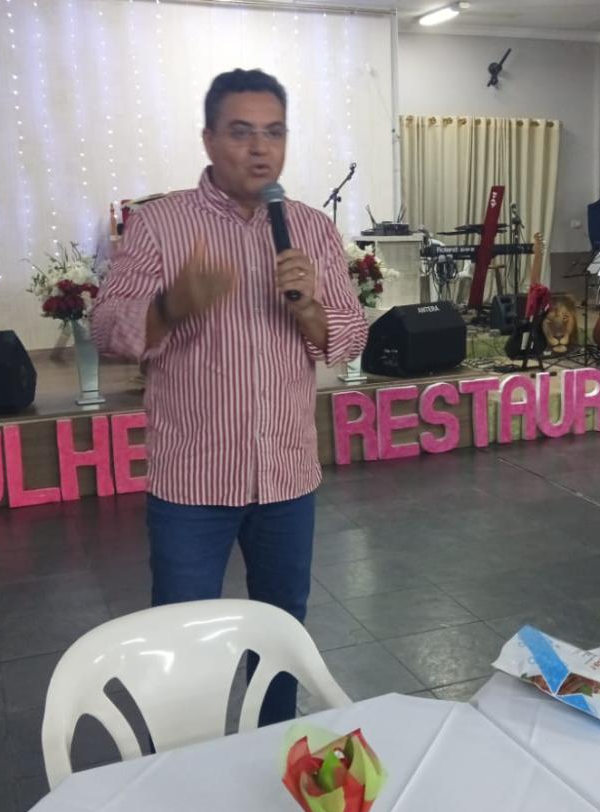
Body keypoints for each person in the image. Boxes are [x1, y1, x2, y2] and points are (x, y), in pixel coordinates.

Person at [92, 68, 367, 725]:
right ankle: (188, 762)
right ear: (209, 139)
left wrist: (309, 308)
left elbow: (350, 335)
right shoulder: (160, 226)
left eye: (274, 132)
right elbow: (107, 330)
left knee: (282, 631)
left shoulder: (310, 228)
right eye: (241, 132)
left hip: (286, 476)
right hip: (194, 479)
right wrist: (170, 306)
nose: (260, 148)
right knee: (184, 636)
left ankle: (275, 751)